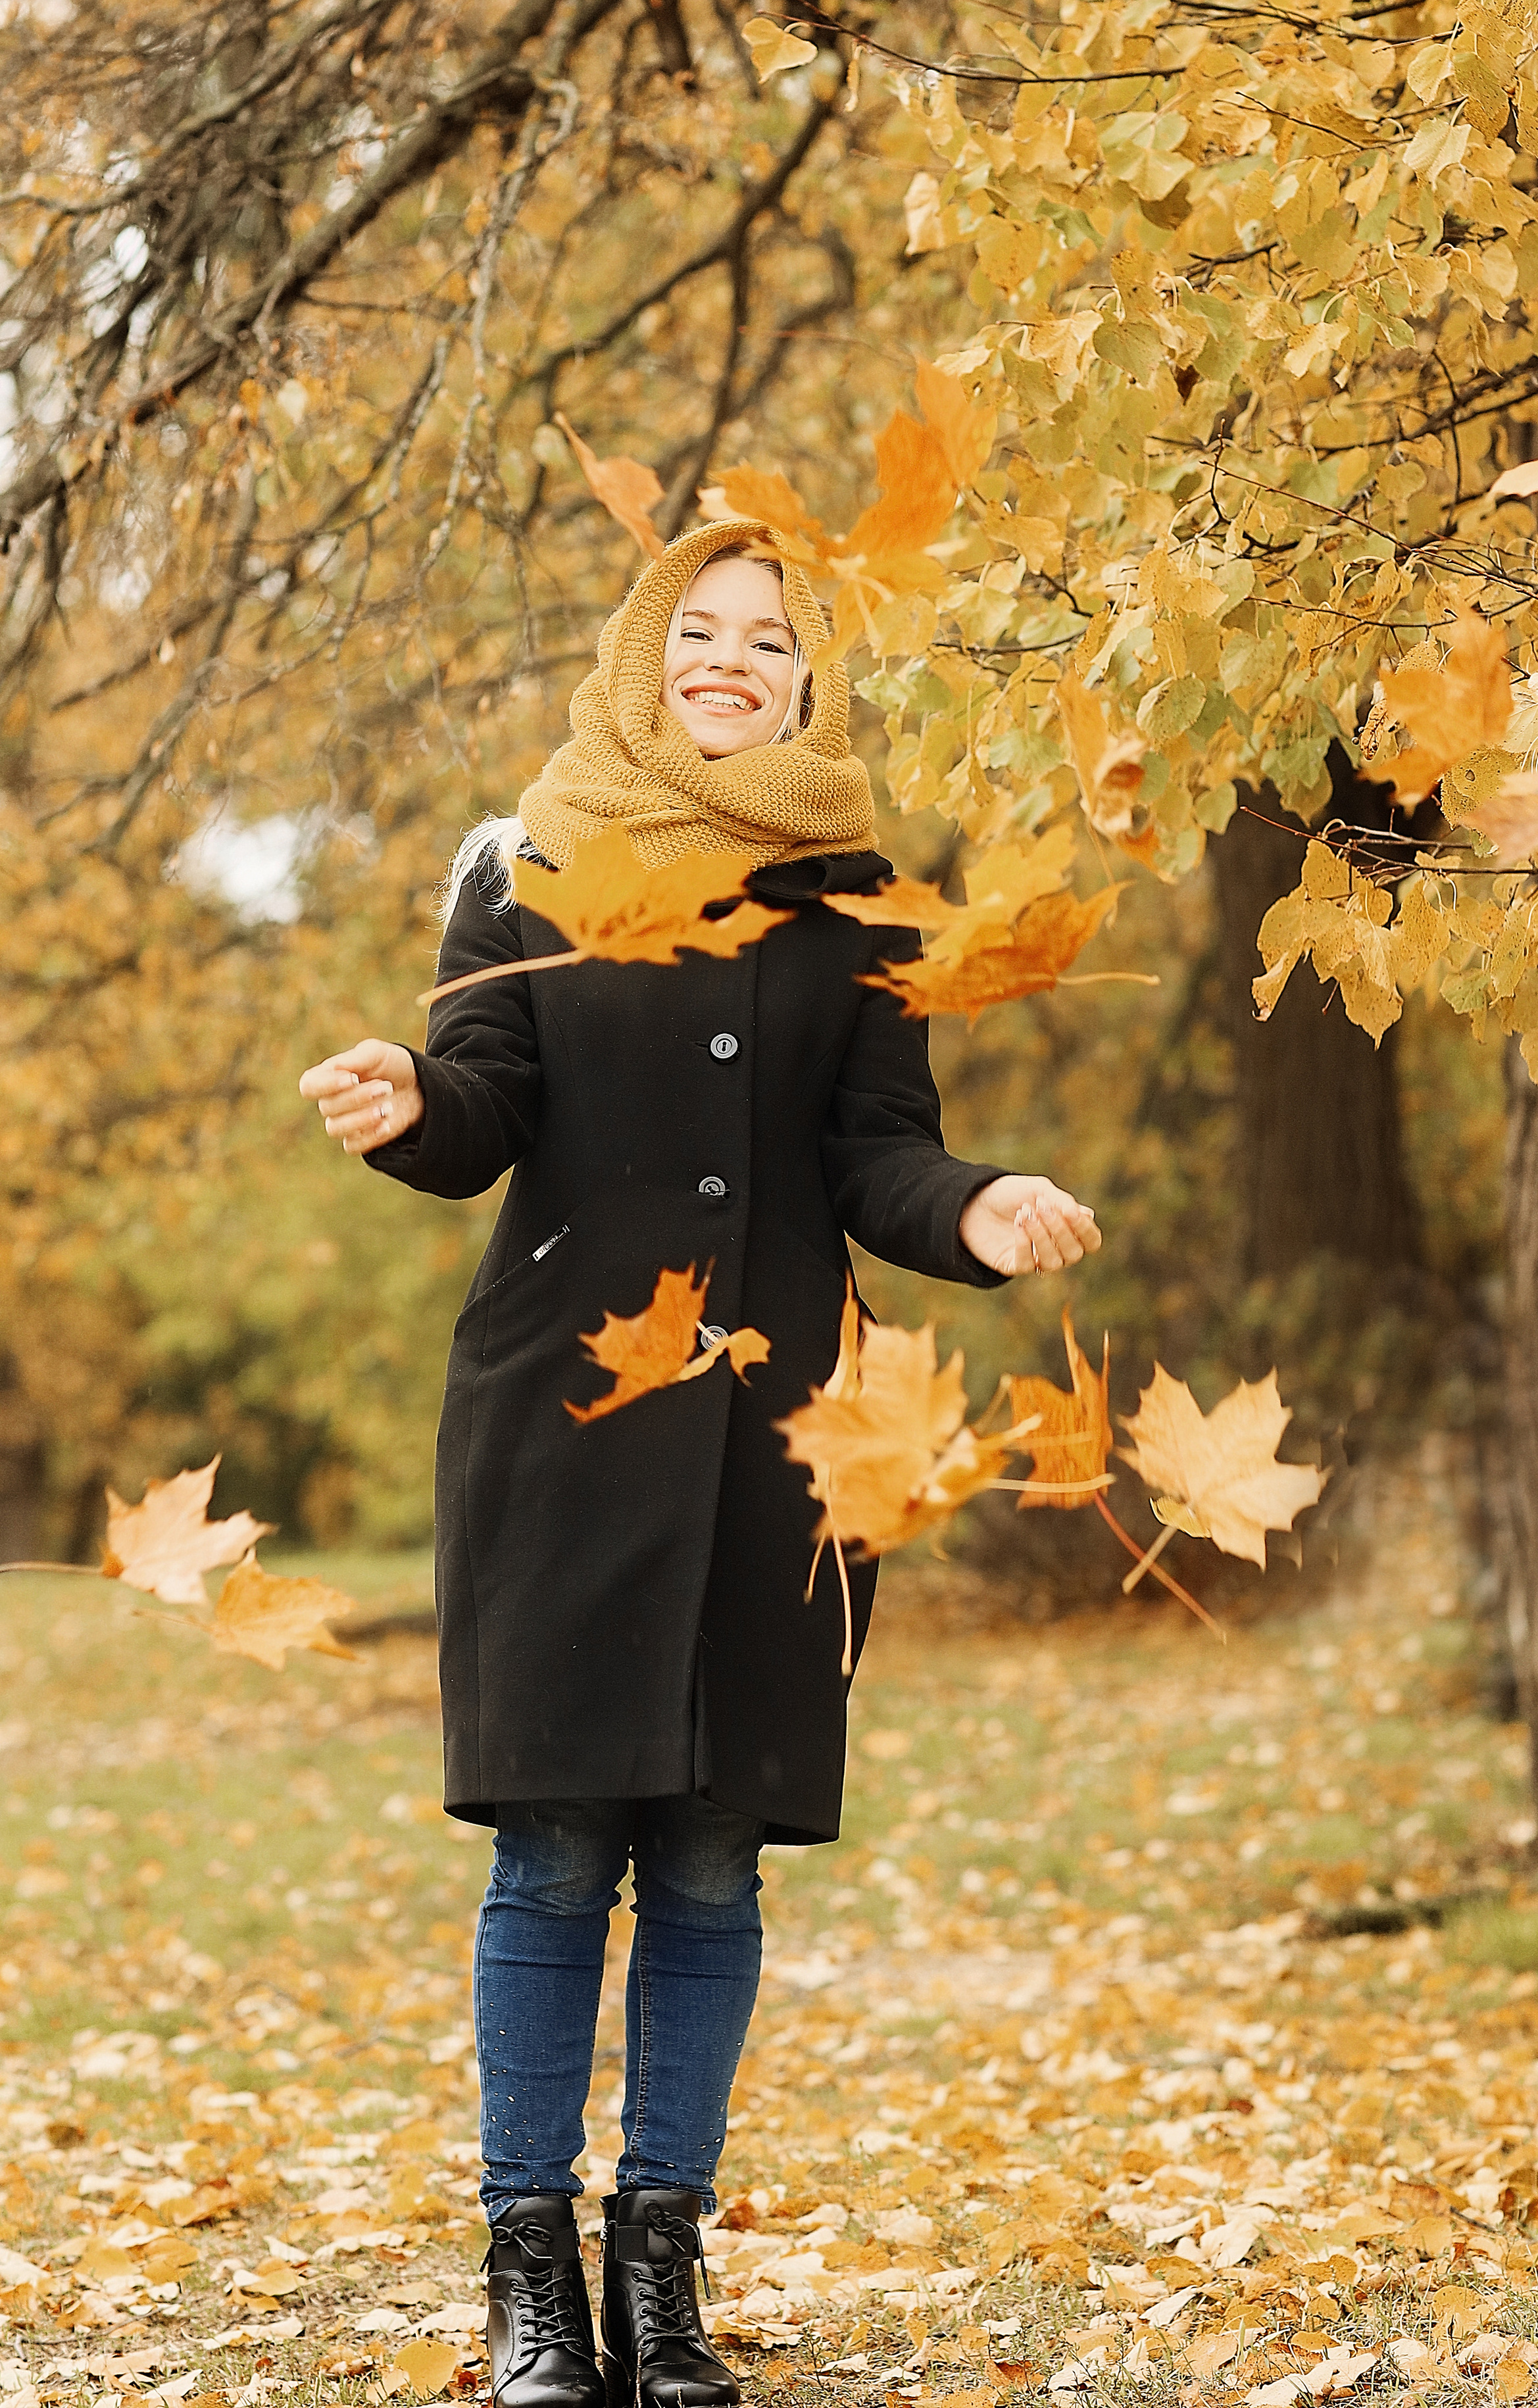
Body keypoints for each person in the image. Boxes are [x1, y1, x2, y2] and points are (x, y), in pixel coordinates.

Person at [299, 520, 1101, 2408]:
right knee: (558, 1853)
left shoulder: (859, 907)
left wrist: (973, 1208)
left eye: (768, 638)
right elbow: (483, 1105)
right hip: (570, 1418)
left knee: (719, 1866)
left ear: (812, 678)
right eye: (699, 631)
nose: (728, 660)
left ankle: (661, 2283)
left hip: (775, 1442)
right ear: (646, 650)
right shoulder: (528, 861)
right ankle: (530, 2285)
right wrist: (410, 1099)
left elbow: (877, 1154)